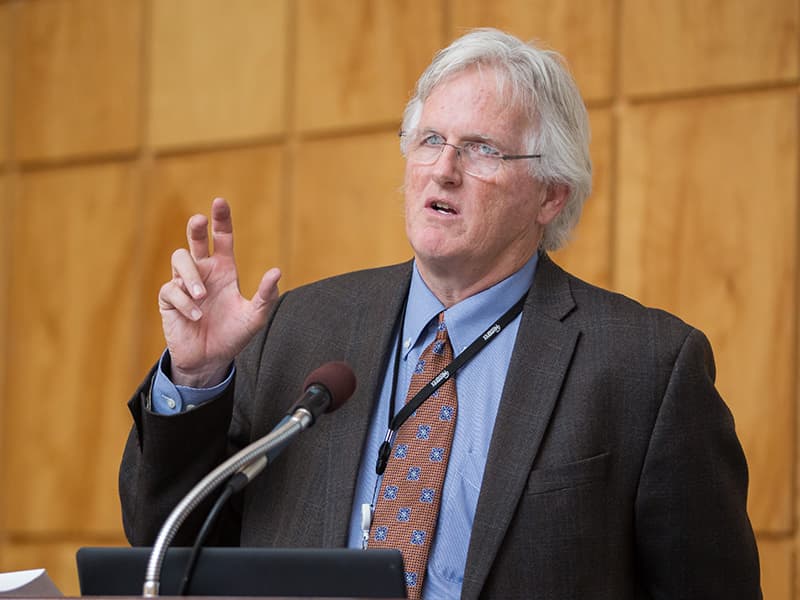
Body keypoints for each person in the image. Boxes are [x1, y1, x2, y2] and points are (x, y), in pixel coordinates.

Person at [119, 28, 762, 599]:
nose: (444, 171)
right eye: (430, 139)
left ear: (550, 195)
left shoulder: (645, 366)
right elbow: (168, 552)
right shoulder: (297, 330)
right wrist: (197, 378)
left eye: (482, 149)